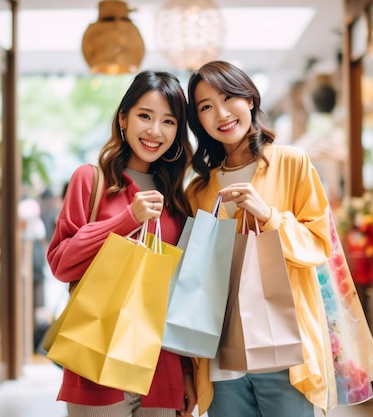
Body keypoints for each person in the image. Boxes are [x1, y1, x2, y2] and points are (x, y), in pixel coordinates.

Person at [185, 61, 336, 417]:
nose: (220, 113)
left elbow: (319, 244)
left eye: (227, 97)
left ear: (250, 99)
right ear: (198, 122)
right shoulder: (199, 190)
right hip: (222, 359)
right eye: (206, 107)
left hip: (285, 352)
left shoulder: (292, 163)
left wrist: (268, 216)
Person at [46, 70, 196, 417]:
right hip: (97, 362)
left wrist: (186, 372)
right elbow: (61, 263)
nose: (155, 131)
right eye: (145, 116)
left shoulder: (177, 199)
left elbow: (180, 293)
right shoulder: (91, 179)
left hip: (161, 366)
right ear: (123, 118)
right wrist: (128, 219)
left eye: (168, 121)